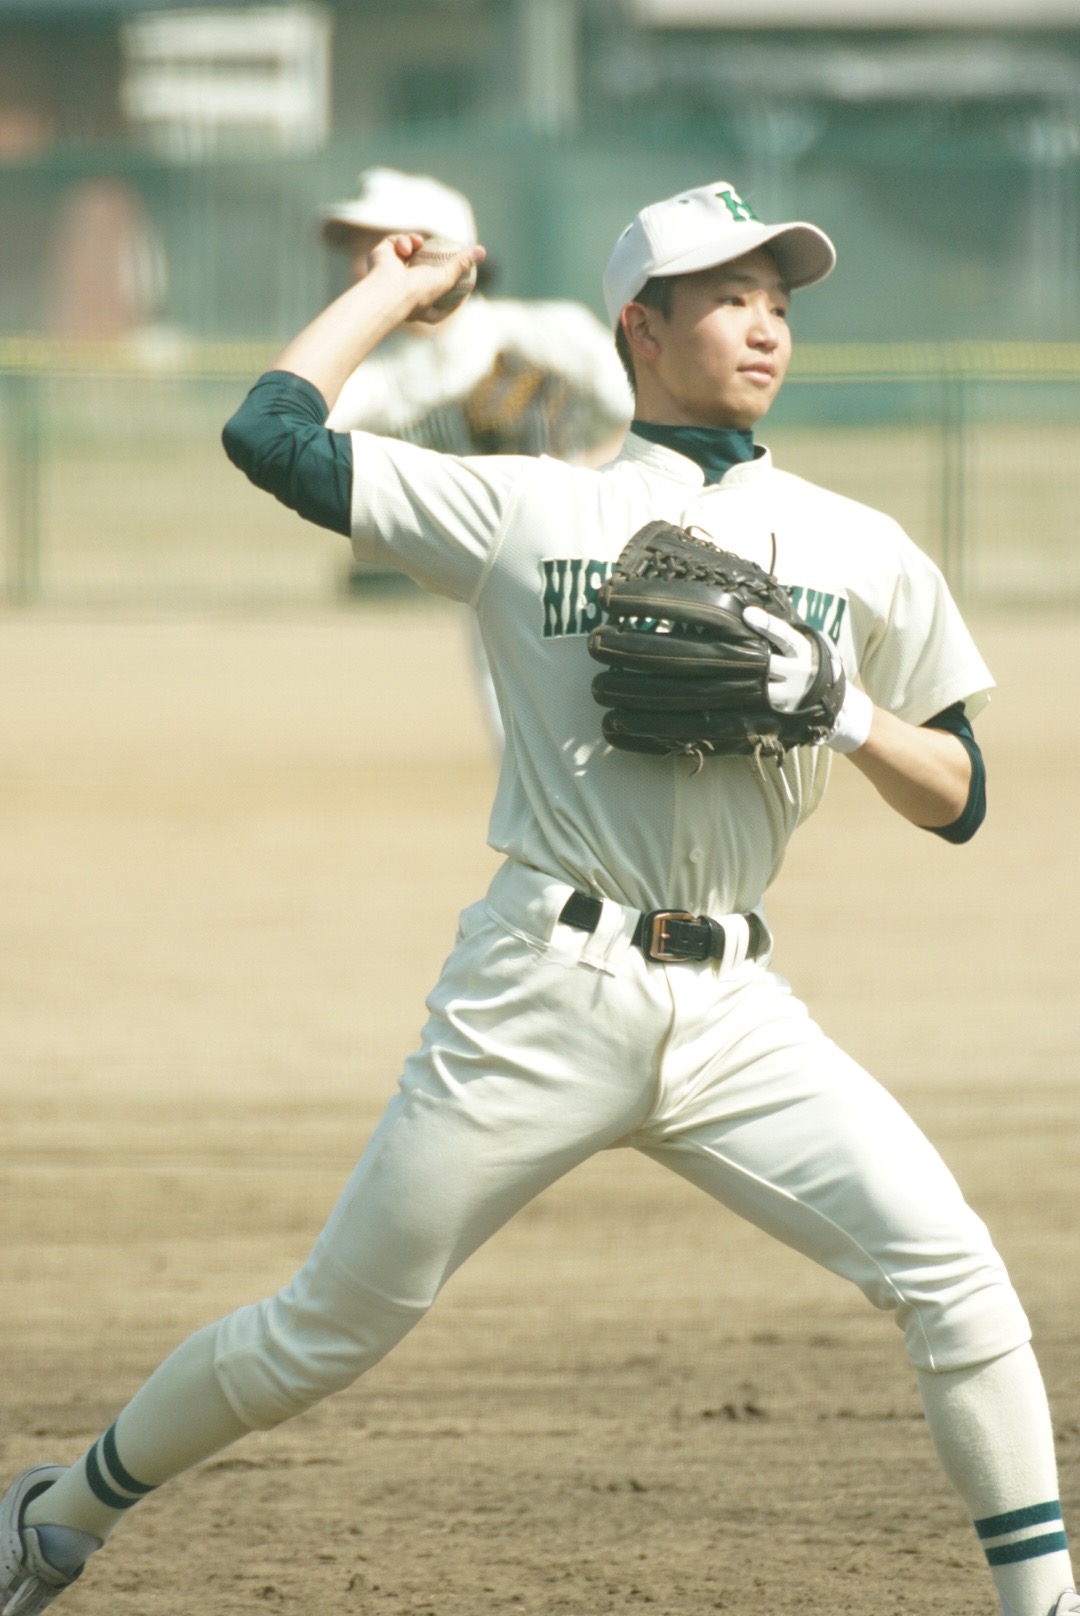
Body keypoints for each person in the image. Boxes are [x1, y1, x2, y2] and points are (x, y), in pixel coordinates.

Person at [1, 181, 1076, 1616]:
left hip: (739, 1011)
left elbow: (962, 795)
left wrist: (852, 714)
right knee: (326, 1329)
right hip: (540, 989)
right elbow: (269, 436)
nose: (765, 325)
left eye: (778, 300)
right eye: (729, 297)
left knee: (959, 1281)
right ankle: (54, 1519)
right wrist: (399, 288)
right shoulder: (527, 506)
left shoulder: (860, 544)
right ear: (643, 327)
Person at [319, 164, 633, 745]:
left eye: (380, 248)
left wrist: (574, 478)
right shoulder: (383, 378)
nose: (362, 268)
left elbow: (648, 417)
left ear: (444, 254)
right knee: (522, 752)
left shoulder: (545, 333)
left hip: (608, 564)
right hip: (495, 589)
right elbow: (287, 425)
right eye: (359, 254)